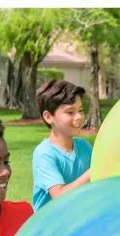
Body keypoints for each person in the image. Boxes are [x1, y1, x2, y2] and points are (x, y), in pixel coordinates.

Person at [32, 79, 92, 211]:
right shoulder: (44, 153)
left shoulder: (84, 146)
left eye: (80, 110)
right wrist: (92, 173)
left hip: (77, 219)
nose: (79, 117)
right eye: (70, 112)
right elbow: (59, 196)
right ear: (49, 117)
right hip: (51, 222)